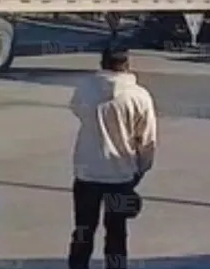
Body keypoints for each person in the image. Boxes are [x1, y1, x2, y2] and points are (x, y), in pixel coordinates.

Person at [68, 46, 157, 269]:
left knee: (83, 230)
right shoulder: (139, 96)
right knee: (117, 233)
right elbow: (146, 140)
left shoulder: (85, 89)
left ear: (102, 63)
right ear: (127, 64)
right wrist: (140, 170)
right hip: (120, 176)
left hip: (87, 174)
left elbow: (77, 109)